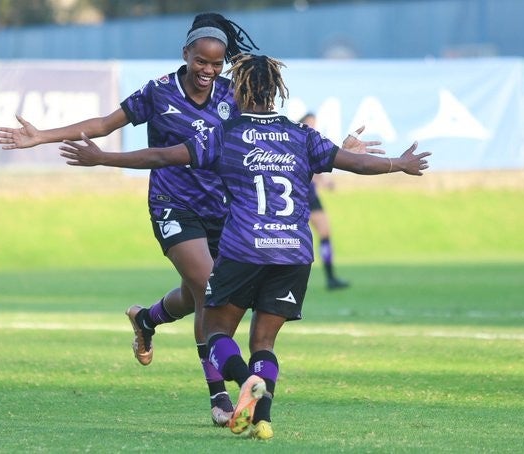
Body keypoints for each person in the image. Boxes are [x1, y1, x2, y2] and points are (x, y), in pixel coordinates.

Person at [57, 53, 431, 439]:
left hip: (244, 251)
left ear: (240, 89)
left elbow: (163, 156)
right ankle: (263, 420)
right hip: (294, 254)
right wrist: (399, 164)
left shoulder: (225, 134)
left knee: (217, 332)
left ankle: (241, 385)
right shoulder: (301, 135)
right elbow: (353, 163)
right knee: (263, 342)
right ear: (275, 93)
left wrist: (103, 158)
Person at [0, 13, 259, 426]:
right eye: (201, 61)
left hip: (223, 211)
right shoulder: (158, 92)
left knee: (196, 295)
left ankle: (146, 318)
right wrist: (41, 136)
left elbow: (259, 139)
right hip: (173, 206)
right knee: (210, 290)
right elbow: (103, 124)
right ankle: (219, 397)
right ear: (186, 53)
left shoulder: (231, 95)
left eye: (216, 63)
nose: (208, 70)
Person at [298, 113, 384, 290]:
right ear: (303, 123)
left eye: (315, 123)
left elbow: (317, 169)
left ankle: (330, 277)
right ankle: (289, 275)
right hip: (300, 194)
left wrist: (324, 182)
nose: (313, 126)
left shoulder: (312, 141)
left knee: (324, 232)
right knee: (297, 236)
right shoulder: (300, 139)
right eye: (310, 123)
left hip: (311, 195)